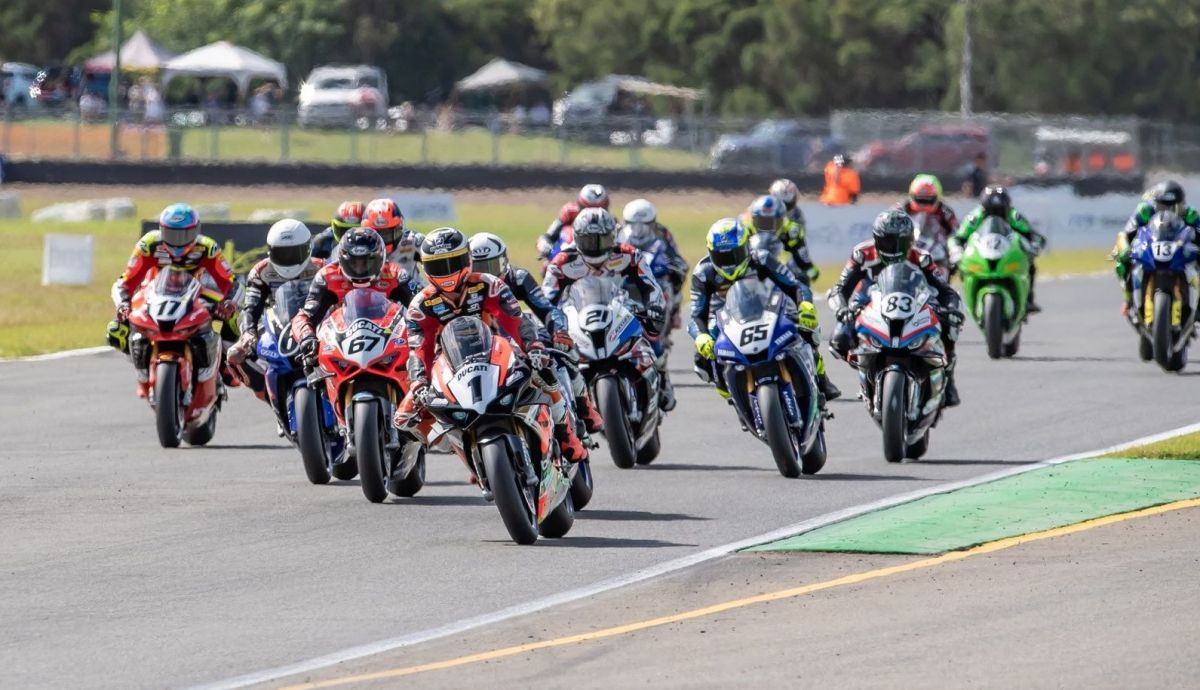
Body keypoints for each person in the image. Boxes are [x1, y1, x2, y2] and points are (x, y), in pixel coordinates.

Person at [396, 228, 588, 462]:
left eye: (453, 263)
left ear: (467, 259)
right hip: (449, 362)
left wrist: (534, 346)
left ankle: (565, 433)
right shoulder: (420, 304)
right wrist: (418, 382)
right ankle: (460, 448)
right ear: (426, 268)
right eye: (438, 266)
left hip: (497, 349)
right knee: (404, 418)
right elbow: (420, 349)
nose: (447, 272)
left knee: (545, 371)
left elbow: (516, 321)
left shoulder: (489, 284)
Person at [688, 218, 841, 404]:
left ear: (745, 248)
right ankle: (735, 398)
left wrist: (805, 305)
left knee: (805, 329)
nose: (728, 264)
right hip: (726, 319)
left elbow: (796, 286)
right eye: (722, 257)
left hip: (768, 309)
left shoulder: (761, 259)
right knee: (703, 358)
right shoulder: (703, 273)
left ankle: (821, 378)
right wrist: (701, 336)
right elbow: (696, 314)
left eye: (733, 255)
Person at [469, 232, 604, 433]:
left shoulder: (518, 277)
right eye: (478, 268)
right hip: (490, 345)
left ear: (504, 261)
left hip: (524, 333)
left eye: (491, 267)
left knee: (564, 356)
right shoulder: (467, 290)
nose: (486, 274)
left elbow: (546, 308)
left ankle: (585, 408)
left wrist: (559, 332)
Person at [543, 208, 675, 411]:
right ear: (577, 239)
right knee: (556, 359)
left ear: (612, 238)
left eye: (601, 240)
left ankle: (661, 374)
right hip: (581, 316)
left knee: (651, 333)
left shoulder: (628, 255)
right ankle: (570, 409)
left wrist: (653, 307)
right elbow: (545, 301)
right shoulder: (562, 262)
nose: (595, 247)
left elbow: (650, 285)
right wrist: (550, 325)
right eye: (589, 241)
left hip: (620, 309)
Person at [828, 209, 964, 407]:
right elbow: (840, 288)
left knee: (948, 327)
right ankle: (867, 372)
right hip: (868, 299)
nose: (893, 247)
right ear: (876, 239)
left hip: (913, 299)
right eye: (887, 241)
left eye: (900, 242)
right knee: (840, 338)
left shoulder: (921, 258)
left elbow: (945, 290)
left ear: (910, 240)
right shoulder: (862, 254)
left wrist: (952, 310)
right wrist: (842, 309)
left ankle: (948, 379)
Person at [107, 203, 240, 398]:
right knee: (116, 329)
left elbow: (232, 283)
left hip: (198, 293)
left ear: (196, 231)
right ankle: (142, 372)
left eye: (184, 235)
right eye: (171, 234)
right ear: (161, 230)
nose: (178, 242)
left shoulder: (207, 247)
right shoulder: (149, 244)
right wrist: (123, 305)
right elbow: (125, 281)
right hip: (154, 294)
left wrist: (228, 303)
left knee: (234, 317)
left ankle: (227, 365)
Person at [227, 219, 325, 398]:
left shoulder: (322, 267)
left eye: (294, 253)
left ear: (307, 249)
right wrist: (248, 333)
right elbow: (251, 306)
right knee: (236, 355)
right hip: (276, 322)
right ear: (270, 251)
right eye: (282, 254)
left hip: (316, 321)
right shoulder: (261, 271)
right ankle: (265, 392)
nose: (288, 260)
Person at [290, 227, 423, 355]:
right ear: (342, 260)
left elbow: (422, 304)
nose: (360, 269)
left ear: (380, 258)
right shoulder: (327, 277)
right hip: (339, 342)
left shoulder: (396, 274)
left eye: (366, 262)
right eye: (354, 263)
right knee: (310, 368)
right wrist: (306, 337)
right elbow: (305, 315)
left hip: (389, 340)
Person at [951, 185, 1046, 312]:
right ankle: (969, 298)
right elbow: (958, 237)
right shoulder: (975, 216)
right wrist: (956, 250)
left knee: (1030, 264)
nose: (996, 215)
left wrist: (1034, 246)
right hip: (982, 252)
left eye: (1000, 211)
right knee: (962, 266)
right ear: (983, 208)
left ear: (1007, 207)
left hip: (1007, 251)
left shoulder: (1014, 216)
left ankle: (1028, 298)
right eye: (991, 211)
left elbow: (1032, 234)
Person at [1112, 180, 1200, 313]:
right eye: (1163, 207)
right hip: (1151, 247)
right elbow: (1125, 234)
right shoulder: (1144, 210)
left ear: (1182, 205)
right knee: (1121, 260)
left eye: (1173, 207)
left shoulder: (1190, 214)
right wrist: (1124, 248)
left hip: (1179, 251)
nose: (1168, 212)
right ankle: (1128, 299)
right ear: (1156, 203)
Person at [620, 198, 689, 326]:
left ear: (652, 223)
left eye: (644, 225)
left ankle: (674, 311)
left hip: (654, 271)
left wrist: (671, 263)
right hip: (628, 272)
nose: (638, 230)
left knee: (678, 273)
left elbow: (674, 253)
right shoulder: (619, 233)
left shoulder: (663, 232)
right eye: (633, 225)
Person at [745, 194, 819, 283]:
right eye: (762, 222)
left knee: (801, 278)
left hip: (783, 270)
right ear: (753, 220)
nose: (767, 227)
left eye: (772, 223)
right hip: (752, 271)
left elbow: (801, 255)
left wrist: (809, 270)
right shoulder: (745, 230)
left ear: (782, 220)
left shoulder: (791, 231)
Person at [536, 184, 610, 260]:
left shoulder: (610, 221)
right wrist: (546, 248)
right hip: (567, 256)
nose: (593, 215)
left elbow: (619, 244)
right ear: (580, 206)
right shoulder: (569, 212)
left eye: (599, 209)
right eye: (589, 209)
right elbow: (547, 236)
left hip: (601, 260)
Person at [362, 197, 426, 280]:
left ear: (399, 228)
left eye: (387, 233)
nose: (382, 240)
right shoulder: (359, 248)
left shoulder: (414, 241)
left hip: (411, 291)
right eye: (377, 234)